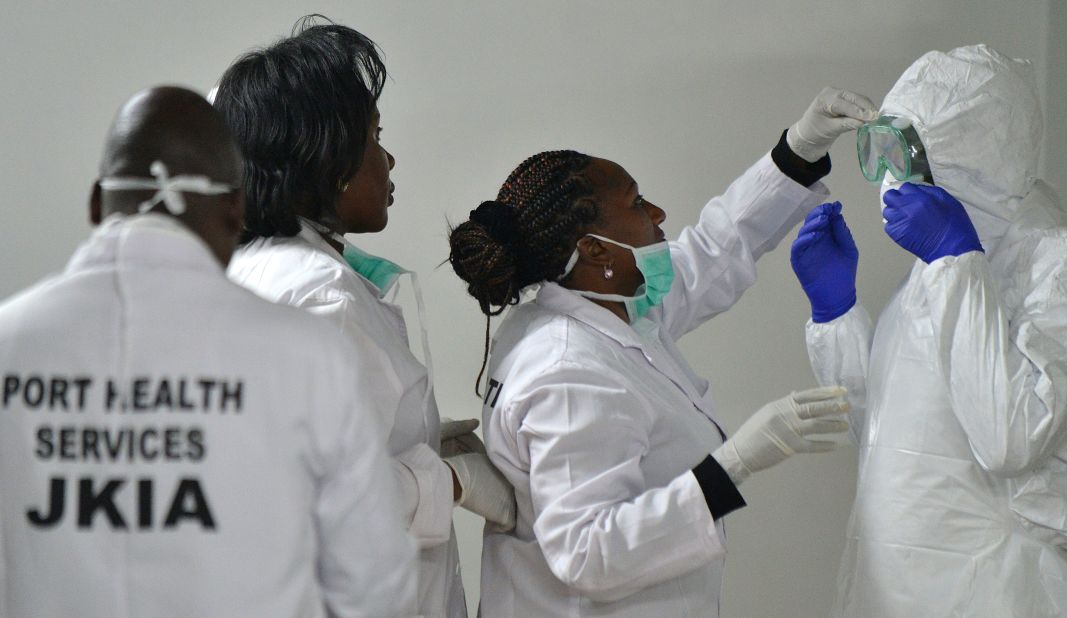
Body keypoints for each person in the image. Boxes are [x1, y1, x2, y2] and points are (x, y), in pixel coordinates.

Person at [447, 86, 874, 615]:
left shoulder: (604, 307)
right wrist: (733, 465)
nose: (657, 211)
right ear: (594, 250)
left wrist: (796, 152)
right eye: (635, 202)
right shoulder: (568, 371)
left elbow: (711, 251)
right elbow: (588, 555)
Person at [0, 86, 416, 617]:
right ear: (235, 208)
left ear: (95, 204)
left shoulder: (9, 346)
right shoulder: (308, 357)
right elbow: (373, 586)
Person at [212, 17, 513, 617]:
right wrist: (452, 481)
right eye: (375, 137)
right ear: (324, 159)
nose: (390, 157)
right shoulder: (323, 297)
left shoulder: (249, 271)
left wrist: (424, 437)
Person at [790, 44, 1067, 616]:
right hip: (889, 586)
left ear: (971, 153)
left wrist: (957, 262)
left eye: (902, 152)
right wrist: (838, 319)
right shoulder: (930, 277)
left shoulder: (1065, 270)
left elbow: (1009, 438)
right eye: (875, 150)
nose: (885, 176)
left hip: (993, 589)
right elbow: (888, 439)